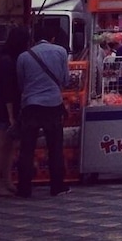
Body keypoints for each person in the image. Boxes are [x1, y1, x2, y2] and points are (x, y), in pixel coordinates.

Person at [15, 24, 71, 198]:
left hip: (31, 106)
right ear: (52, 37)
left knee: (27, 149)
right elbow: (65, 80)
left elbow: (21, 83)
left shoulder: (24, 57)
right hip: (53, 105)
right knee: (54, 147)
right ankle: (57, 186)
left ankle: (24, 188)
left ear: (34, 38)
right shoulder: (61, 52)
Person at [0, 28, 26, 196]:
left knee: (9, 146)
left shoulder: (8, 60)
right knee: (1, 145)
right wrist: (11, 115)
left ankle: (6, 180)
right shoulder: (7, 63)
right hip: (3, 109)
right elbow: (7, 92)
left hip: (6, 108)